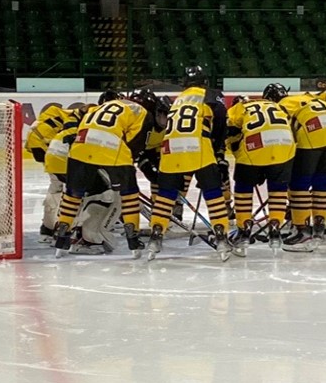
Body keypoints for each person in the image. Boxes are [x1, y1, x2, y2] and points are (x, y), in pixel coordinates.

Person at [53, 90, 159, 258]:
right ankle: (133, 240)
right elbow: (135, 144)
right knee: (129, 194)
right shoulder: (142, 112)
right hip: (112, 146)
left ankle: (62, 236)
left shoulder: (104, 105)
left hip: (81, 144)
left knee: (73, 195)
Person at [148, 65, 232, 261]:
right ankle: (221, 236)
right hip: (198, 147)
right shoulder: (210, 94)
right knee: (213, 194)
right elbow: (219, 120)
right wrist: (218, 152)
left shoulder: (179, 99)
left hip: (170, 150)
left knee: (165, 196)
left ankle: (156, 236)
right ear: (205, 81)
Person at [270, 84, 326, 252]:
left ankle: (302, 231)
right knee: (322, 181)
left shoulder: (280, 105)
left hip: (313, 133)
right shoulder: (308, 97)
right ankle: (319, 227)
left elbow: (281, 132)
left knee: (299, 184)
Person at [226, 92, 296, 254]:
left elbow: (231, 131)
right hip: (284, 146)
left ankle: (244, 230)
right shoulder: (277, 106)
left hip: (256, 146)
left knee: (243, 187)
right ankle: (275, 227)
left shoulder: (239, 107)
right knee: (278, 189)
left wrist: (236, 152)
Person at [24, 103, 84, 241]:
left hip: (47, 153)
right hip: (57, 153)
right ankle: (69, 227)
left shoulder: (42, 121)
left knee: (56, 189)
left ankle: (48, 227)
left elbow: (37, 154)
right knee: (76, 192)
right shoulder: (74, 116)